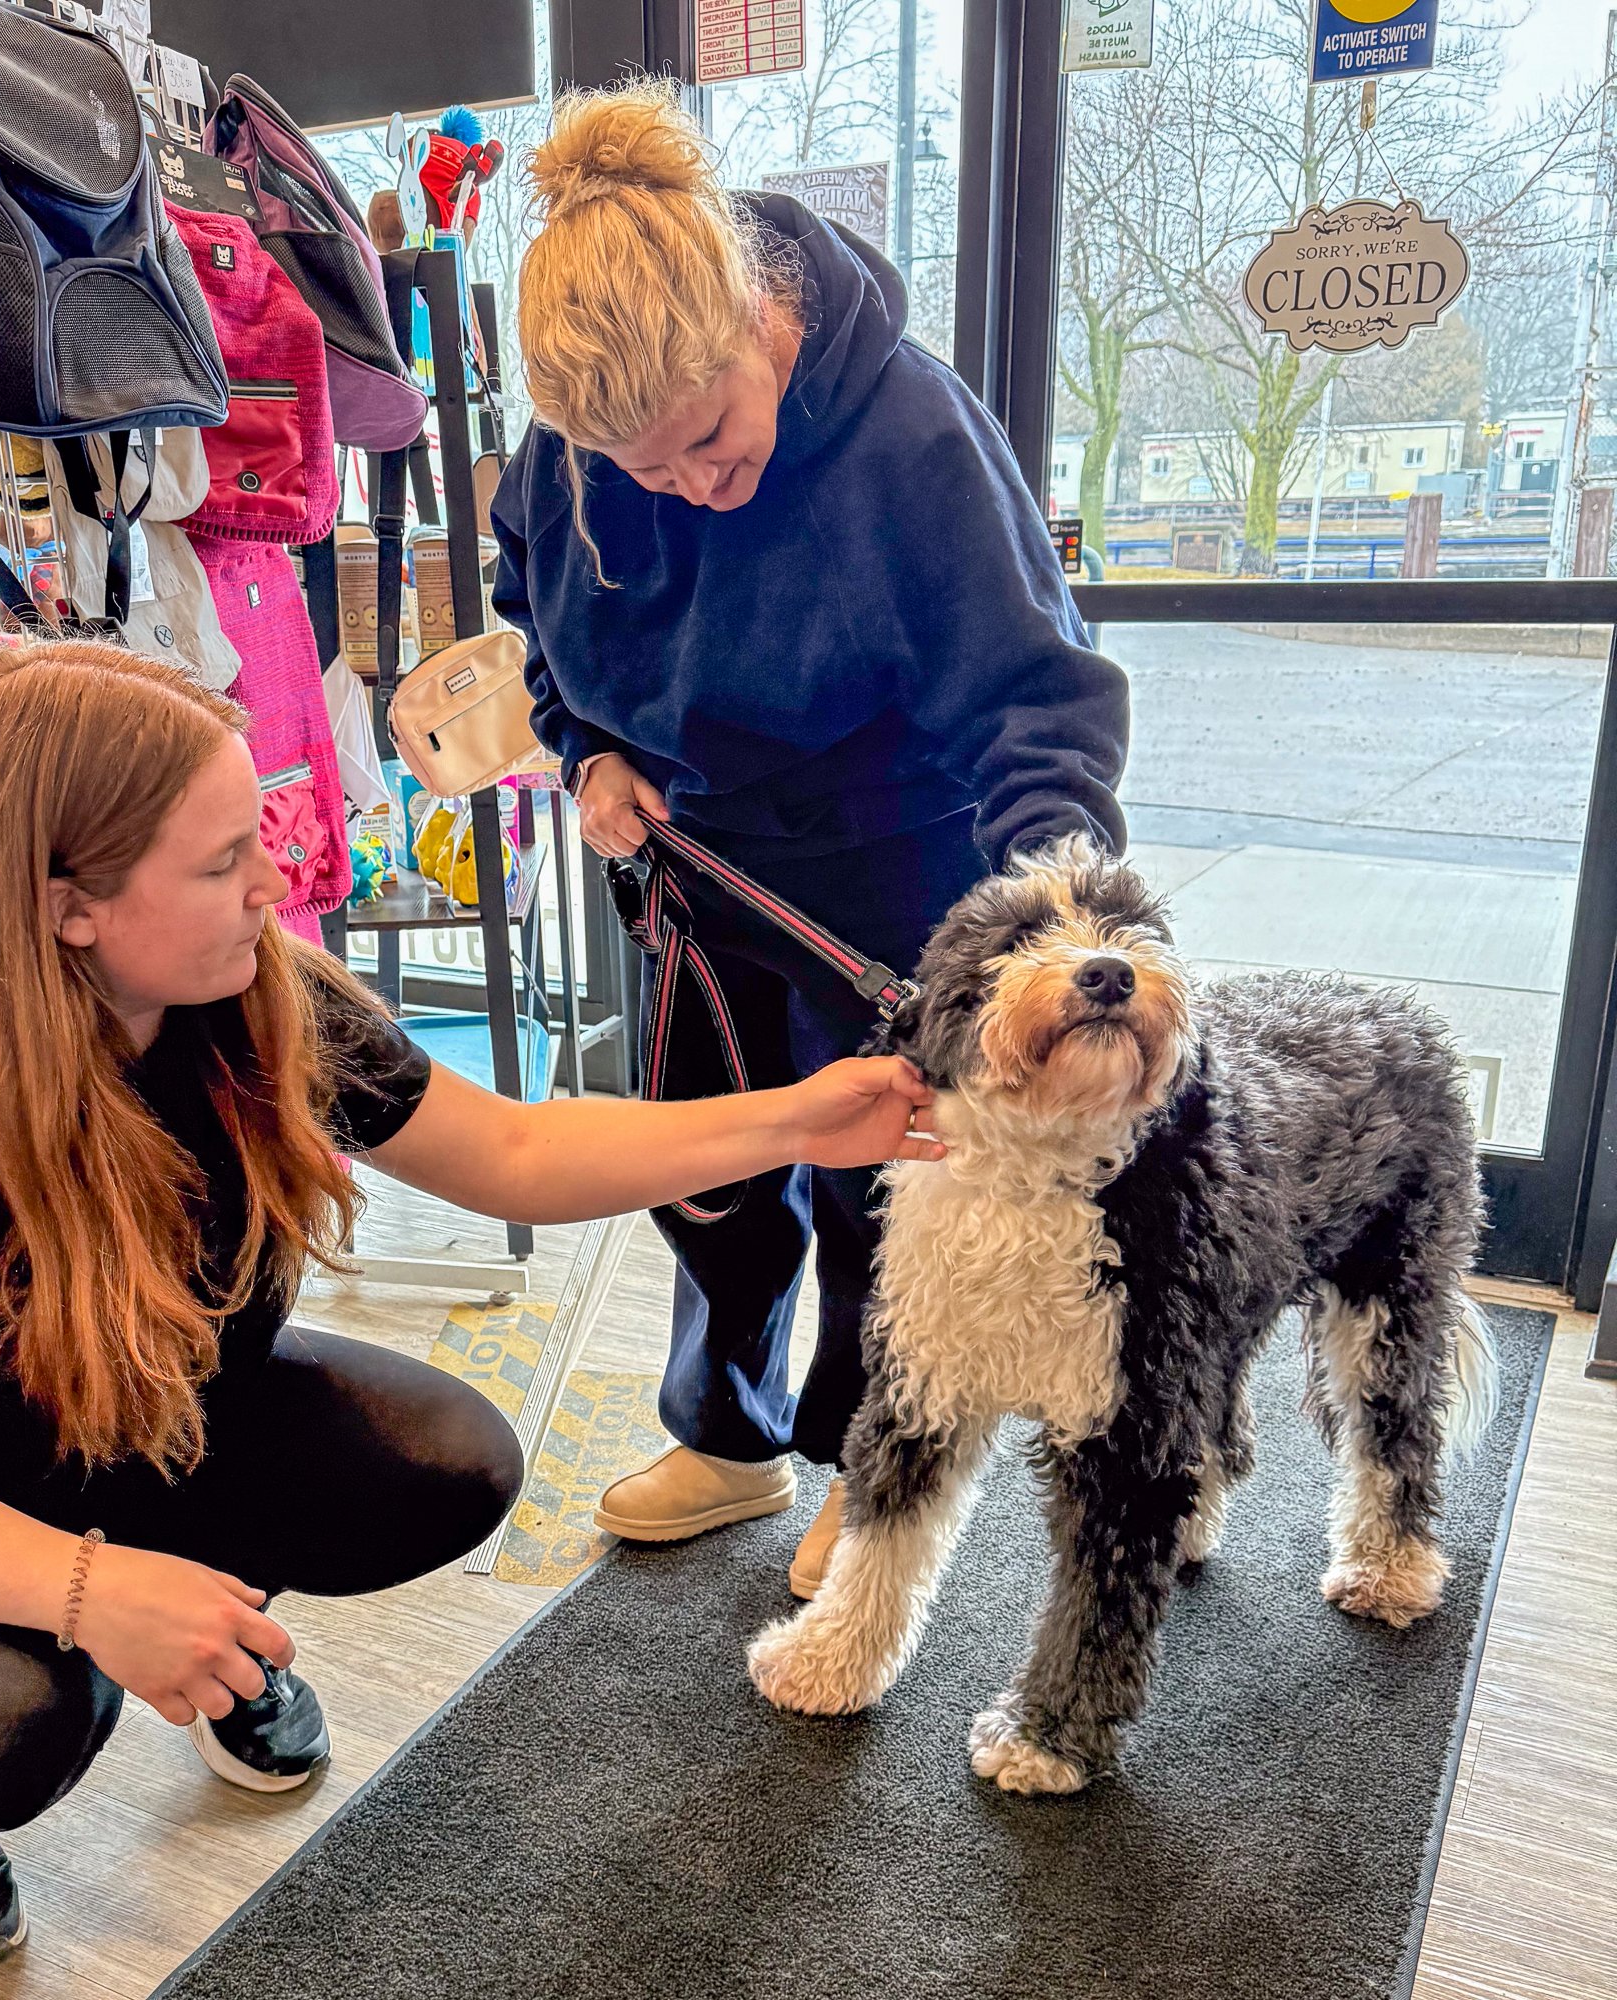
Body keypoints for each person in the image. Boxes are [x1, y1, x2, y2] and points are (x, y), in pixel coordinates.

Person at [0, 641, 944, 1977]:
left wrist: (799, 1122)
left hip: (145, 1428)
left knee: (449, 1466)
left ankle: (207, 1635)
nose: (286, 882)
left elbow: (515, 1156)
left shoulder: (252, 995)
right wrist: (85, 1589)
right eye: (223, 859)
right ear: (68, 903)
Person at [490, 83, 1129, 1596]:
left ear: (754, 325)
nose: (693, 487)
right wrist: (587, 752)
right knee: (701, 1165)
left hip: (895, 861)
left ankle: (869, 1464)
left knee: (874, 1187)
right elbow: (533, 614)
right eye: (646, 474)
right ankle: (726, 1433)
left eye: (710, 439)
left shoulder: (910, 434)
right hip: (693, 864)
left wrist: (1057, 915)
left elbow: (1040, 700)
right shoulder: (570, 458)